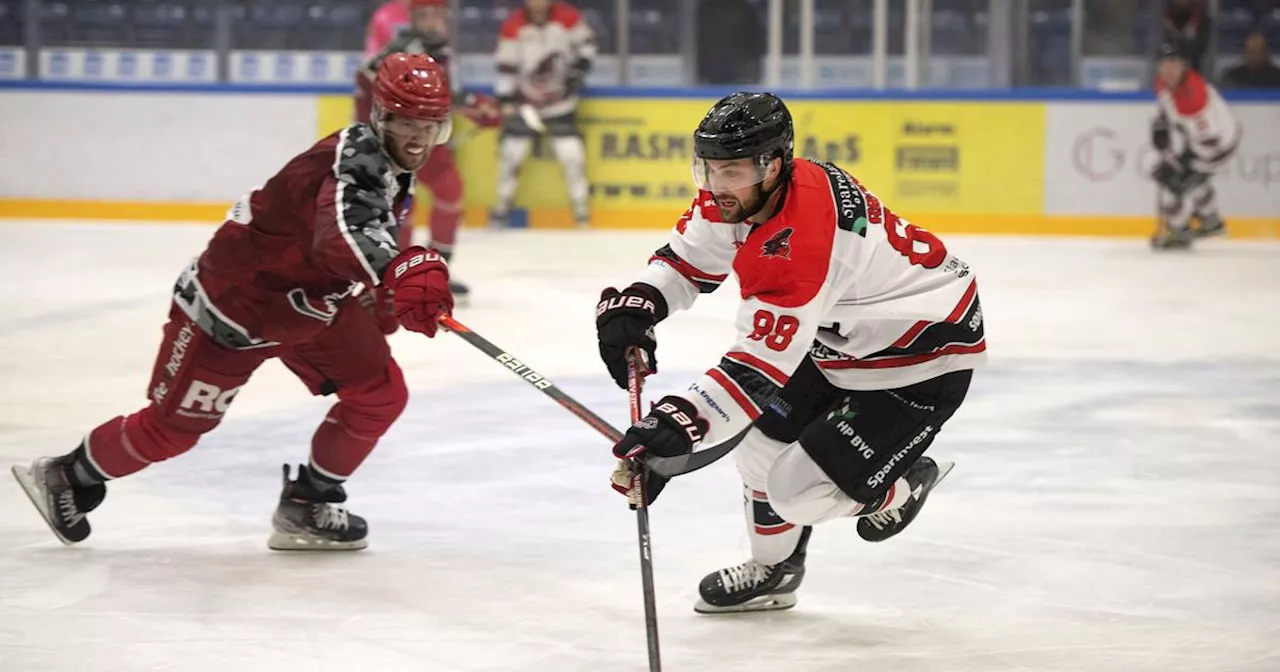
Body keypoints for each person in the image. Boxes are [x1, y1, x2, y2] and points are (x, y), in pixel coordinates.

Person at [11, 54, 457, 552]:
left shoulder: (395, 166)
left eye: (430, 126)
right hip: (232, 311)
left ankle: (309, 502)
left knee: (380, 393)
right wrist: (398, 268)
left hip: (308, 307)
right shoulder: (355, 158)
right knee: (170, 432)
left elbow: (357, 236)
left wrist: (381, 297)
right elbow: (343, 235)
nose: (418, 138)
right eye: (405, 123)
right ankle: (66, 476)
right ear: (380, 117)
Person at [595, 92, 986, 613]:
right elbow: (689, 260)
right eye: (708, 170)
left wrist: (680, 424)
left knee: (796, 493)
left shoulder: (801, 241)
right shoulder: (754, 191)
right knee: (759, 450)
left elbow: (757, 366)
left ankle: (900, 487)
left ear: (772, 164)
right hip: (840, 335)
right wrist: (641, 302)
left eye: (729, 172)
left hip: (921, 353)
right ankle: (775, 570)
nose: (715, 186)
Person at [357, 0, 502, 304]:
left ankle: (436, 272)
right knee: (402, 205)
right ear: (414, 18)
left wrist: (478, 106)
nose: (434, 21)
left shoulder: (443, 49)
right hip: (398, 138)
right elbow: (371, 80)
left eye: (439, 14)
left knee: (450, 191)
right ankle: (401, 275)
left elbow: (450, 92)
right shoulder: (401, 47)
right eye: (427, 15)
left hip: (428, 135)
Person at [491, 0, 597, 229]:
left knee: (572, 157)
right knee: (511, 155)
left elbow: (587, 47)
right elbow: (505, 66)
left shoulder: (568, 17)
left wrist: (579, 70)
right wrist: (506, 97)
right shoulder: (513, 25)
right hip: (525, 104)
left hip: (561, 101)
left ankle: (581, 212)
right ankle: (501, 209)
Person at [1150, 39, 1242, 249]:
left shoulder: (1193, 100)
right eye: (1164, 64)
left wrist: (1180, 166)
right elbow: (1164, 103)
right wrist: (1158, 124)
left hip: (1216, 148)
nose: (1168, 70)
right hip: (1206, 141)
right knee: (1184, 178)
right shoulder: (1164, 82)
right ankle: (1211, 222)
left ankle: (1179, 230)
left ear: (1184, 66)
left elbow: (1207, 147)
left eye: (1174, 64)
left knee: (1172, 186)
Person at [1162, 0, 1212, 73]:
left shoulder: (1202, 20)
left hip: (1193, 65)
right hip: (1173, 59)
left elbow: (1197, 50)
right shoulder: (1169, 17)